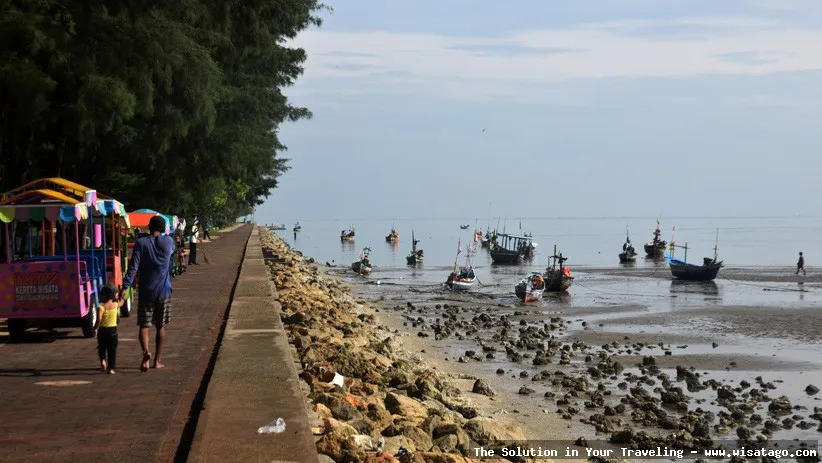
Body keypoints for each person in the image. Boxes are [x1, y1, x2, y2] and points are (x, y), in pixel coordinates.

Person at [122, 215, 176, 371]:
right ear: (163, 227)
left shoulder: (141, 243)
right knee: (160, 326)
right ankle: (157, 361)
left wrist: (125, 287)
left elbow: (133, 267)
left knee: (144, 325)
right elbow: (171, 252)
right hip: (164, 291)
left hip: (146, 291)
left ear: (149, 227)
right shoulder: (169, 242)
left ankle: (146, 354)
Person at [96, 284, 123, 375]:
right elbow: (121, 303)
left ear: (105, 296)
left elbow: (99, 319)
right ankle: (111, 368)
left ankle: (103, 361)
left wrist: (96, 327)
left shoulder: (101, 307)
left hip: (103, 331)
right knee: (112, 350)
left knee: (101, 348)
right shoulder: (115, 305)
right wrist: (122, 296)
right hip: (113, 331)